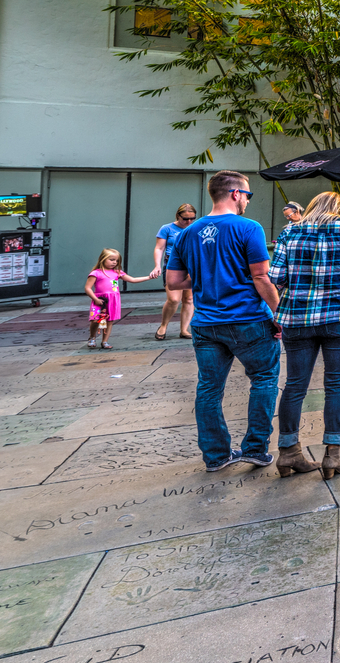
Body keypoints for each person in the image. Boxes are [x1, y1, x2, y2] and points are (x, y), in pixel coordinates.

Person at [165, 169, 281, 471]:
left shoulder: (187, 233)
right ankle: (255, 449)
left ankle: (216, 456)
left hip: (205, 323)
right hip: (249, 319)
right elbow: (260, 277)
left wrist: (209, 276)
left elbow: (174, 282)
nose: (247, 201)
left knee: (209, 388)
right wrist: (280, 314)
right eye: (248, 195)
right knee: (265, 379)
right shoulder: (249, 227)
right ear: (235, 194)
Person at [270, 191, 340, 479]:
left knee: (294, 385)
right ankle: (333, 455)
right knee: (336, 384)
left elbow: (275, 275)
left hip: (297, 317)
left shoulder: (290, 231)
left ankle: (288, 452)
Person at [85, 249, 151, 349]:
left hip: (112, 300)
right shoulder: (96, 273)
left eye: (116, 260)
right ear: (103, 259)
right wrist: (95, 299)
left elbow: (132, 279)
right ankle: (92, 337)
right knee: (95, 320)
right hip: (100, 300)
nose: (114, 262)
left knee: (109, 320)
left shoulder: (117, 272)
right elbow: (87, 288)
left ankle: (105, 341)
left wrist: (149, 277)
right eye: (111, 259)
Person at [152, 202, 198, 340]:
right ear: (178, 216)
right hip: (173, 265)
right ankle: (163, 325)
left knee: (189, 299)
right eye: (185, 219)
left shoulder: (195, 228)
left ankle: (184, 329)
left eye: (192, 218)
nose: (188, 222)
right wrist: (157, 266)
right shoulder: (167, 228)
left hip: (191, 265)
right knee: (173, 299)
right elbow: (159, 248)